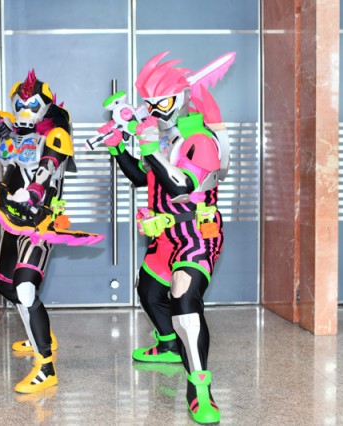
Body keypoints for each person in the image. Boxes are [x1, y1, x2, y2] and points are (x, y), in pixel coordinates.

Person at [97, 51, 233, 424]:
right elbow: (142, 178)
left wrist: (148, 146)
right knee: (149, 290)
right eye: (151, 103)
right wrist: (118, 147)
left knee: (184, 301)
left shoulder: (199, 141)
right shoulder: (165, 139)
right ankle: (168, 345)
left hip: (195, 233)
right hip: (165, 235)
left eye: (164, 102)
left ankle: (200, 388)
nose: (156, 110)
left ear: (183, 99)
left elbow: (182, 186)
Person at [0, 70, 75, 394]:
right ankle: (43, 334)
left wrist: (33, 193)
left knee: (25, 288)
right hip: (12, 221)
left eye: (32, 104)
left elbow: (47, 168)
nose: (25, 110)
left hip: (40, 223)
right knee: (7, 288)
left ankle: (46, 367)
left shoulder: (56, 135)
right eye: (20, 104)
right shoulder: (11, 134)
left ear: (45, 105)